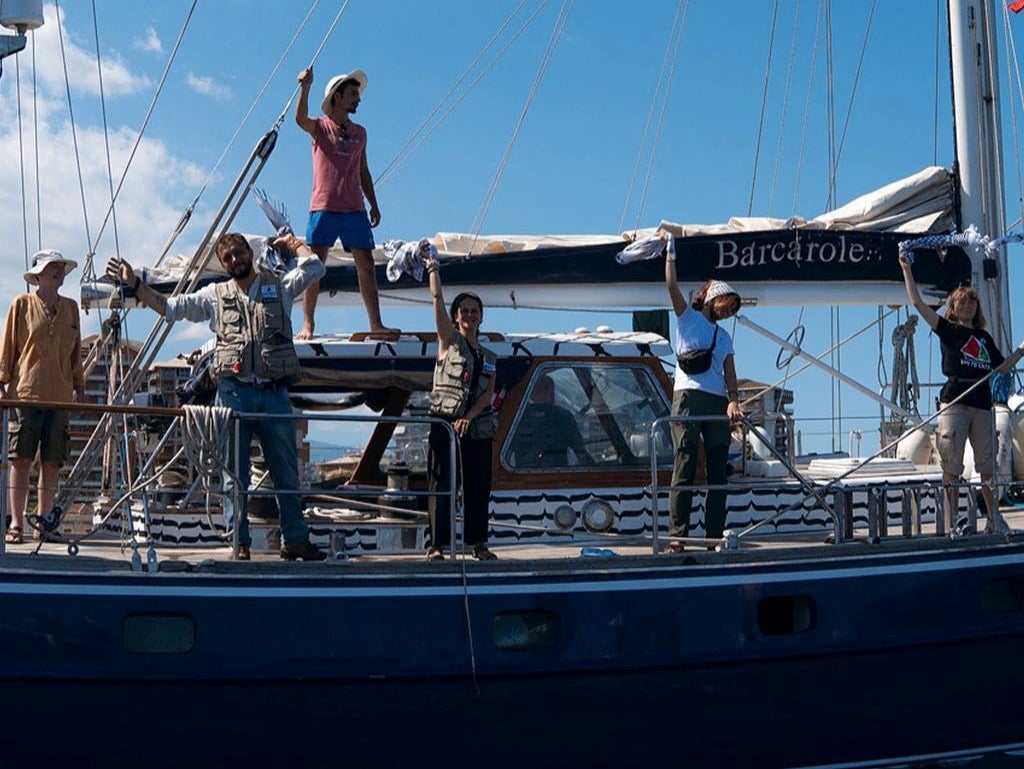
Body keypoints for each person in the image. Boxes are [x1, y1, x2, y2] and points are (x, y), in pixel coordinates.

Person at [106, 233, 326, 561]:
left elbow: (314, 267)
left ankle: (295, 539)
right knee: (233, 475)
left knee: (286, 474)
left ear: (250, 253)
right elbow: (169, 308)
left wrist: (294, 243)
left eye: (239, 253)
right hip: (234, 393)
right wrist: (135, 284)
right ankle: (240, 543)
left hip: (274, 393)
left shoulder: (278, 286)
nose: (235, 260)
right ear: (223, 264)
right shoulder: (213, 296)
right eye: (228, 258)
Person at [899, 250, 1022, 534]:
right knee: (951, 467)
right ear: (953, 307)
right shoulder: (948, 330)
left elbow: (1001, 367)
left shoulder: (983, 338)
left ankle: (994, 519)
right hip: (954, 401)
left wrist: (1021, 351)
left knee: (987, 467)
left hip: (981, 404)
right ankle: (951, 522)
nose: (967, 304)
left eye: (971, 301)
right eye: (961, 301)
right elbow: (917, 302)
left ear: (977, 308)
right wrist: (907, 269)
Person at [294, 65, 397, 340]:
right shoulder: (320, 127)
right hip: (324, 206)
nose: (357, 99)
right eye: (352, 94)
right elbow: (299, 119)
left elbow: (363, 170)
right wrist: (305, 88)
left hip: (354, 209)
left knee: (366, 266)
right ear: (337, 97)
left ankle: (376, 324)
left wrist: (374, 203)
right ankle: (308, 324)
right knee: (314, 267)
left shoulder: (361, 133)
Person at [0, 250, 84, 545]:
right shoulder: (21, 304)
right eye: (53, 267)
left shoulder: (72, 308)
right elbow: (8, 346)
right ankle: (16, 524)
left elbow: (76, 356)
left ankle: (44, 523)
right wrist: (2, 384)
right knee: (20, 460)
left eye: (61, 267)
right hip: (26, 393)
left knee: (51, 464)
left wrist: (80, 387)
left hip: (60, 396)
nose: (59, 270)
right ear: (39, 274)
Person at [664, 239, 742, 553]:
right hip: (687, 396)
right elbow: (671, 285)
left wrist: (734, 399)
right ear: (712, 299)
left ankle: (712, 536)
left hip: (716, 400)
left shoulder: (724, 337)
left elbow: (730, 371)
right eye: (726, 303)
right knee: (684, 461)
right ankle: (677, 536)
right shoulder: (687, 319)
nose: (729, 310)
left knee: (717, 468)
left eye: (733, 307)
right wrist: (670, 256)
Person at [423, 253, 498, 562]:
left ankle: (478, 544)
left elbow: (488, 392)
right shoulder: (447, 341)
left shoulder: (490, 354)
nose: (469, 314)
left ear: (481, 316)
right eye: (464, 310)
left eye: (474, 310)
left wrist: (469, 417)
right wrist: (434, 269)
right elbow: (437, 297)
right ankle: (437, 546)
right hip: (444, 424)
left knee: (479, 485)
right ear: (455, 317)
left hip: (476, 426)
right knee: (442, 484)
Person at [509, 373, 591, 468]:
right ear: (551, 391)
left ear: (531, 394)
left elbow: (506, 455)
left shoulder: (518, 417)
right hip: (556, 478)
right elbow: (580, 452)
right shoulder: (564, 416)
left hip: (524, 478)